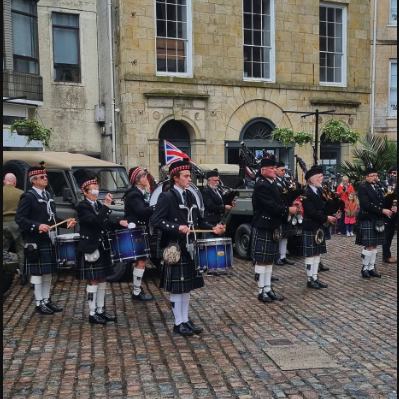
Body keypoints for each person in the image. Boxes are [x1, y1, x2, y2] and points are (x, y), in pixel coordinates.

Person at [152, 159, 225, 336]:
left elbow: (198, 220)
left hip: (190, 246)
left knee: (186, 287)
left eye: (189, 175)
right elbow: (156, 220)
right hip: (175, 247)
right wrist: (176, 227)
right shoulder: (167, 196)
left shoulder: (190, 195)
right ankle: (178, 323)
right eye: (185, 176)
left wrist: (212, 228)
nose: (189, 178)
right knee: (177, 288)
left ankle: (185, 319)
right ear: (175, 178)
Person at [15, 162, 76, 314]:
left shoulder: (48, 195)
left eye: (45, 176)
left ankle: (47, 300)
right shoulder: (28, 197)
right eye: (42, 177)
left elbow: (52, 218)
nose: (45, 179)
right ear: (33, 180)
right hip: (35, 240)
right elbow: (20, 218)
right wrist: (37, 226)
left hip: (49, 238)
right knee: (37, 272)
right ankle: (38, 303)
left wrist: (65, 222)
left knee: (48, 272)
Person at [76, 178, 128, 324]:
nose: (96, 191)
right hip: (90, 246)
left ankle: (100, 310)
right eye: (93, 188)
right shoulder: (82, 206)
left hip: (102, 246)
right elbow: (95, 221)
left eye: (97, 188)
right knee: (93, 280)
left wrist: (119, 223)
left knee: (103, 279)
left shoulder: (98, 204)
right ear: (85, 192)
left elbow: (105, 223)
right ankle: (92, 313)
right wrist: (106, 205)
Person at [251, 157, 298, 303]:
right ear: (263, 170)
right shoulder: (262, 185)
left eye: (274, 168)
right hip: (264, 225)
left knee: (269, 259)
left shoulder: (273, 184)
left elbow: (281, 200)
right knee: (262, 260)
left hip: (272, 225)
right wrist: (287, 209)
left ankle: (268, 288)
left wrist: (292, 200)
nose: (273, 170)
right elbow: (271, 206)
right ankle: (261, 292)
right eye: (271, 168)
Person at [356, 168, 395, 278]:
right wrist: (382, 210)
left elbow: (383, 202)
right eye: (372, 175)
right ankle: (364, 268)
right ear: (366, 177)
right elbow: (366, 204)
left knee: (374, 246)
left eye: (376, 175)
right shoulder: (363, 188)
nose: (374, 177)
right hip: (368, 219)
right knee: (368, 246)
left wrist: (392, 202)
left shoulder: (379, 188)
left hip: (377, 219)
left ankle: (371, 268)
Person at [301, 167, 337, 289]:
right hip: (311, 226)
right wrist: (326, 218)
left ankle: (315, 277)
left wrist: (333, 211)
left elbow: (324, 207)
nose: (321, 179)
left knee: (317, 254)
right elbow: (311, 212)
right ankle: (310, 280)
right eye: (319, 177)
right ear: (311, 180)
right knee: (311, 254)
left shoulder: (319, 191)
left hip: (318, 226)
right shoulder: (306, 193)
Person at [124, 167, 154, 301]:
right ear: (137, 180)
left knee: (142, 260)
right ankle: (136, 292)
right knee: (141, 260)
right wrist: (155, 207)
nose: (145, 178)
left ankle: (137, 289)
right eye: (143, 176)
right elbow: (142, 211)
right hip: (137, 230)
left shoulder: (141, 193)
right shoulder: (134, 194)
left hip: (141, 229)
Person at [3, 173, 27, 285]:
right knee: (21, 250)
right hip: (18, 224)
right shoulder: (21, 193)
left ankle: (5, 272)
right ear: (15, 182)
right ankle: (23, 275)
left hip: (3, 224)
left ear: (4, 181)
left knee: (3, 251)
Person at [274, 161, 296, 266]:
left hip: (287, 210)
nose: (284, 172)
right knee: (278, 235)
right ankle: (276, 256)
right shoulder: (274, 182)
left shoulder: (284, 181)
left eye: (284, 170)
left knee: (285, 235)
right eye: (282, 170)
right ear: (276, 170)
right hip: (280, 211)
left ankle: (283, 256)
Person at [383, 166, 397, 263]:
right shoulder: (385, 184)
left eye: (395, 173)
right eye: (391, 173)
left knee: (391, 234)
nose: (392, 175)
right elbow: (382, 199)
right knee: (388, 235)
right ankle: (386, 255)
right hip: (388, 213)